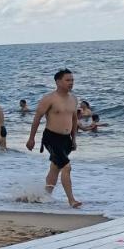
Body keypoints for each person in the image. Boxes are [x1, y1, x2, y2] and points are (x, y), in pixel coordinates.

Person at [26, 69, 82, 209]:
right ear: (58, 82)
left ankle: (43, 196)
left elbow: (74, 120)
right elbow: (37, 119)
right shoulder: (49, 98)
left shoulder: (73, 99)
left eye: (72, 80)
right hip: (51, 138)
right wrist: (31, 139)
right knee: (66, 167)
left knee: (55, 167)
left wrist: (74, 139)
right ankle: (71, 200)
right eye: (67, 80)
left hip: (66, 140)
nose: (71, 83)